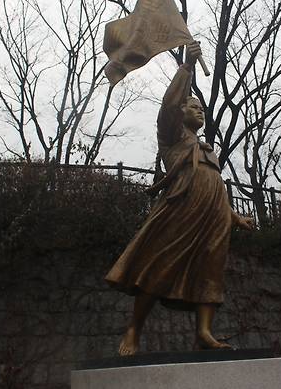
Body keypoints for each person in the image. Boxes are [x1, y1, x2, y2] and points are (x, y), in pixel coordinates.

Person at [105, 41, 253, 356]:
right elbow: (169, 105)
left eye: (201, 108)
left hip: (213, 216)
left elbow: (214, 184)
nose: (198, 110)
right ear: (180, 113)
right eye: (193, 106)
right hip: (181, 211)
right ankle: (133, 330)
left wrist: (233, 215)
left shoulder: (207, 149)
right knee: (158, 266)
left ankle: (203, 333)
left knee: (211, 272)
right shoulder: (172, 137)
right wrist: (186, 68)